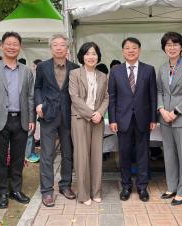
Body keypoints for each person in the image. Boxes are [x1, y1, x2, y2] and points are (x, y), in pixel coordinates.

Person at [0, 32, 35, 209]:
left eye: (15, 44)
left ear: (20, 47)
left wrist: (31, 119)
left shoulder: (26, 71)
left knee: (18, 157)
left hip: (20, 120)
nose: (12, 46)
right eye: (8, 43)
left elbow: (30, 97)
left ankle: (16, 190)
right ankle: (3, 193)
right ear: (2, 46)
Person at [108, 37, 157, 202]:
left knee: (143, 154)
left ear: (139, 50)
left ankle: (143, 187)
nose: (131, 50)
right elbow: (112, 97)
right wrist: (113, 119)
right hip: (123, 120)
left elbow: (153, 96)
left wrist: (153, 118)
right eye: (127, 48)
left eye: (134, 48)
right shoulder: (115, 71)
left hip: (143, 119)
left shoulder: (149, 70)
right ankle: (126, 186)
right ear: (123, 51)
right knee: (124, 154)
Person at [34, 34, 79, 207]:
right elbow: (37, 87)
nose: (59, 47)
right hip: (48, 114)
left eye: (62, 45)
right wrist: (39, 103)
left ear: (67, 48)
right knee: (47, 154)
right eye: (55, 45)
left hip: (69, 115)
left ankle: (65, 185)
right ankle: (46, 191)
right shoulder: (42, 67)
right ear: (51, 48)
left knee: (68, 153)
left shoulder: (75, 68)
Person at [157, 32, 182, 205]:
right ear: (164, 48)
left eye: (175, 44)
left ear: (181, 47)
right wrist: (161, 109)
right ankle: (172, 186)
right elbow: (159, 91)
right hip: (165, 117)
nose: (171, 48)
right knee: (168, 154)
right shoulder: (162, 68)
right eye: (168, 45)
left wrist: (175, 111)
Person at [69, 42, 109, 205]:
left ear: (98, 56)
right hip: (80, 119)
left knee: (97, 157)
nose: (91, 57)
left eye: (94, 53)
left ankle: (96, 191)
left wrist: (100, 113)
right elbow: (74, 97)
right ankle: (84, 195)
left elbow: (106, 97)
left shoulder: (103, 76)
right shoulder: (74, 73)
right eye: (88, 54)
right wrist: (91, 114)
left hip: (98, 120)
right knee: (81, 157)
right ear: (82, 56)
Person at [25, 59, 42, 163]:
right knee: (30, 130)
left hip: (35, 106)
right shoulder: (32, 76)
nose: (32, 67)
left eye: (33, 66)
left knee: (32, 130)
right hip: (31, 107)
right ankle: (28, 154)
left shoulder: (35, 75)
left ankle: (30, 152)